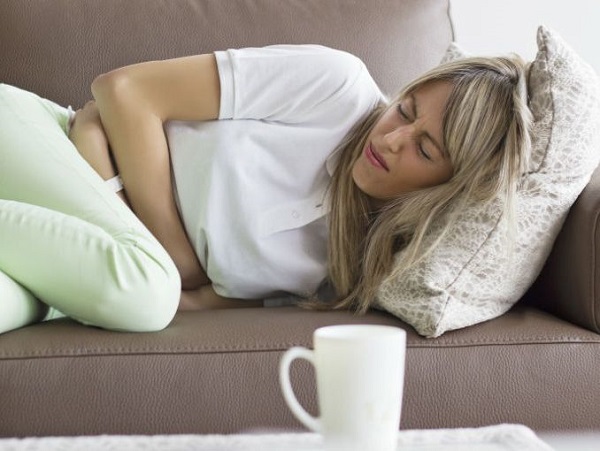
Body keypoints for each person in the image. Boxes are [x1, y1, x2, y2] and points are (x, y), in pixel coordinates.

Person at [0, 45, 531, 335]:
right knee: (146, 292)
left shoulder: (346, 270)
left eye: (425, 149)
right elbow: (123, 92)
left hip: (61, 243)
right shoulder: (336, 87)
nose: (391, 138)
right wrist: (177, 259)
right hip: (39, 145)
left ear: (448, 186)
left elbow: (196, 306)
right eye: (405, 110)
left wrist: (103, 157)